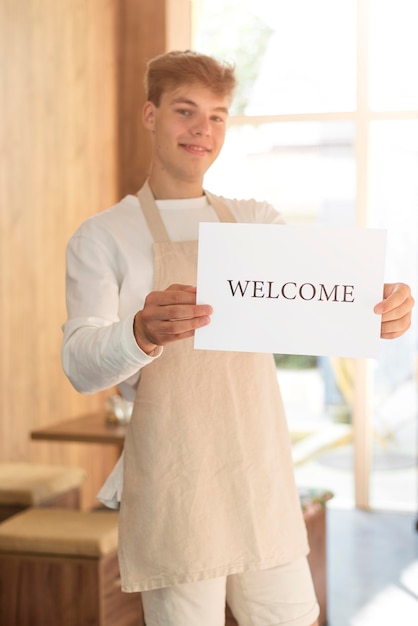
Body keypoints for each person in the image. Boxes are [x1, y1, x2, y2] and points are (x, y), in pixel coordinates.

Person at [62, 50, 414, 626]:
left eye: (218, 115)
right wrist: (139, 333)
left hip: (260, 475)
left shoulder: (255, 223)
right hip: (177, 484)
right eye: (185, 111)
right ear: (151, 116)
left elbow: (328, 298)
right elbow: (79, 365)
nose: (203, 129)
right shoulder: (103, 237)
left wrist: (382, 309)